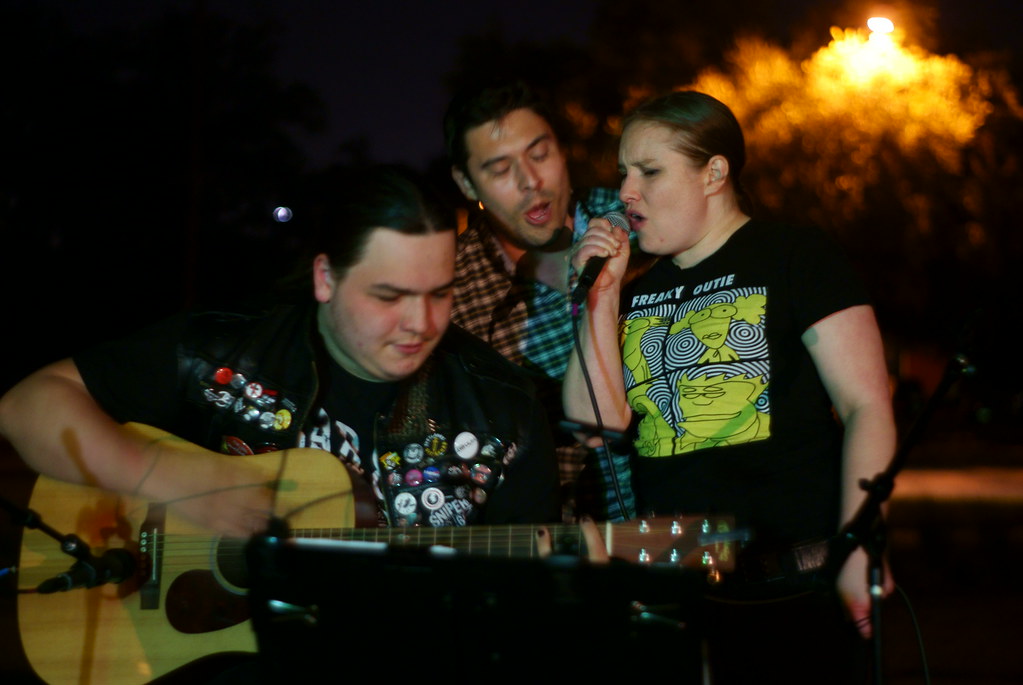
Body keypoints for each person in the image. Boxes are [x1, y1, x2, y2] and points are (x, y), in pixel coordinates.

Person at [0, 166, 561, 537]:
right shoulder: (227, 346)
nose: (422, 322)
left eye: (441, 293)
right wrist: (179, 484)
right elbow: (26, 406)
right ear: (325, 277)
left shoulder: (504, 410)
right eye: (390, 295)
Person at [564, 91, 896, 683]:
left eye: (649, 171)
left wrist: (860, 543)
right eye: (623, 174)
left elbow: (865, 404)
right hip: (675, 582)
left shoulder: (796, 256)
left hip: (790, 582)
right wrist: (601, 297)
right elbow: (597, 424)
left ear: (714, 171)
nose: (625, 193)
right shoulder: (635, 292)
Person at [443, 80, 625, 519]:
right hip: (562, 551)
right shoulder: (450, 295)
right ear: (468, 184)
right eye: (501, 169)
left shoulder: (641, 226)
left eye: (539, 154)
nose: (531, 181)